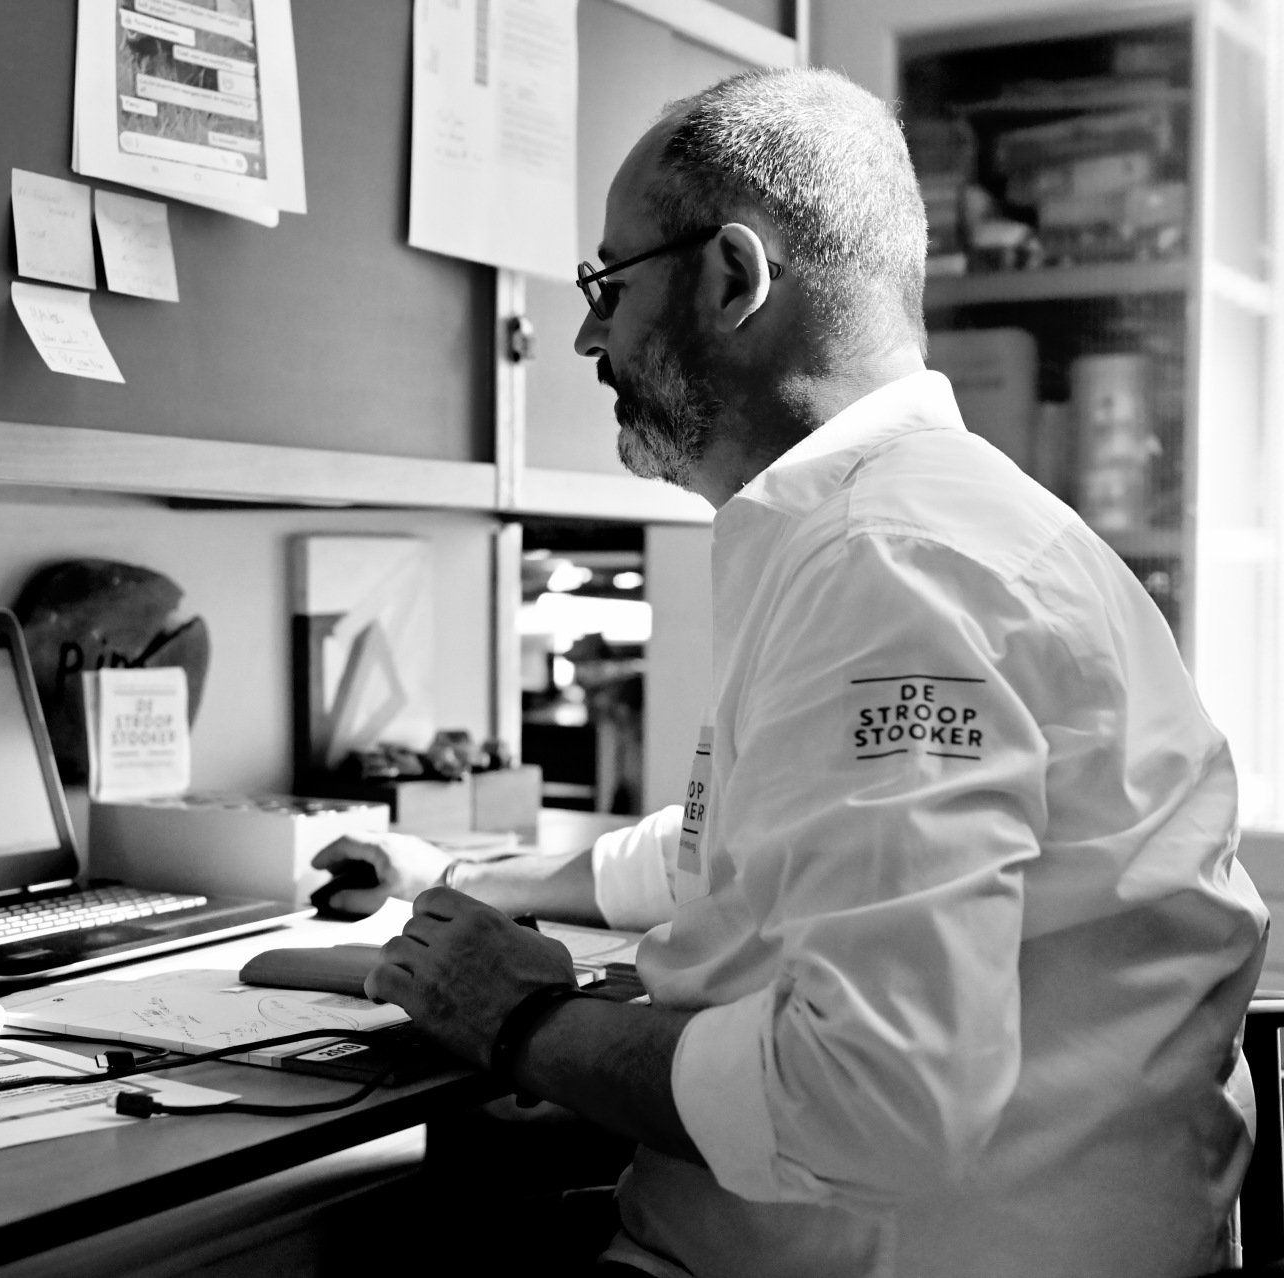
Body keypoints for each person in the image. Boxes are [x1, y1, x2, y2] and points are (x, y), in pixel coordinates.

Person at [313, 67, 1268, 1277]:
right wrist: (457, 877)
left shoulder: (890, 566)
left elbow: (876, 1103)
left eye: (609, 285)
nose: (589, 336)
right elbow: (747, 842)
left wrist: (522, 1020)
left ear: (732, 277)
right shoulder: (903, 524)